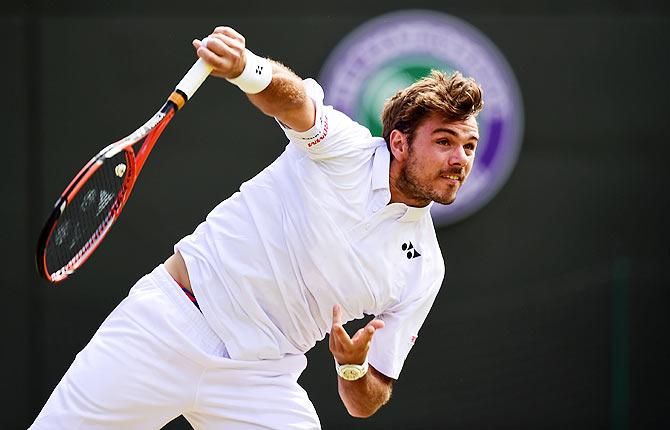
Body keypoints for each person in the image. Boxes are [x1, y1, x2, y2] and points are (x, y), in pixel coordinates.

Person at [30, 26, 483, 429]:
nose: (460, 159)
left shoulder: (425, 268)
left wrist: (351, 368)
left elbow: (366, 401)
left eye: (468, 145)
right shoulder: (345, 149)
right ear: (399, 143)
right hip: (166, 324)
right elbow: (294, 101)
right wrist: (246, 67)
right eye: (444, 142)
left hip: (260, 378)